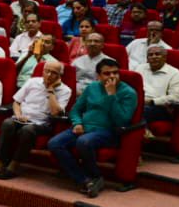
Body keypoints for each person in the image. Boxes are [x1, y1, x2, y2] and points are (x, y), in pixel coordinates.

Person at [48, 58, 136, 197]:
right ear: (98, 76)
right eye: (107, 74)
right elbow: (76, 110)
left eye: (115, 73)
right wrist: (77, 123)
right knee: (54, 143)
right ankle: (85, 180)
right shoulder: (92, 87)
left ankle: (95, 176)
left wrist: (111, 95)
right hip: (84, 127)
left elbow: (122, 120)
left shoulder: (128, 93)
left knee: (83, 141)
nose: (112, 76)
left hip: (108, 131)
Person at [0, 58, 71, 180]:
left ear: (60, 75)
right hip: (22, 118)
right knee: (7, 123)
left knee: (27, 130)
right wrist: (18, 114)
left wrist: (51, 90)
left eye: (54, 73)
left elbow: (55, 112)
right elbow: (16, 102)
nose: (49, 75)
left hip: (42, 123)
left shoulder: (65, 90)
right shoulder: (32, 82)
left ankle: (13, 166)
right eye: (47, 71)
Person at [136, 45, 179, 124]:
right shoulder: (140, 68)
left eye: (157, 54)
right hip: (138, 102)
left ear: (165, 57)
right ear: (147, 58)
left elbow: (176, 97)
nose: (154, 57)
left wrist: (152, 101)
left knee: (140, 111)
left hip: (158, 107)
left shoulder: (175, 73)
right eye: (150, 55)